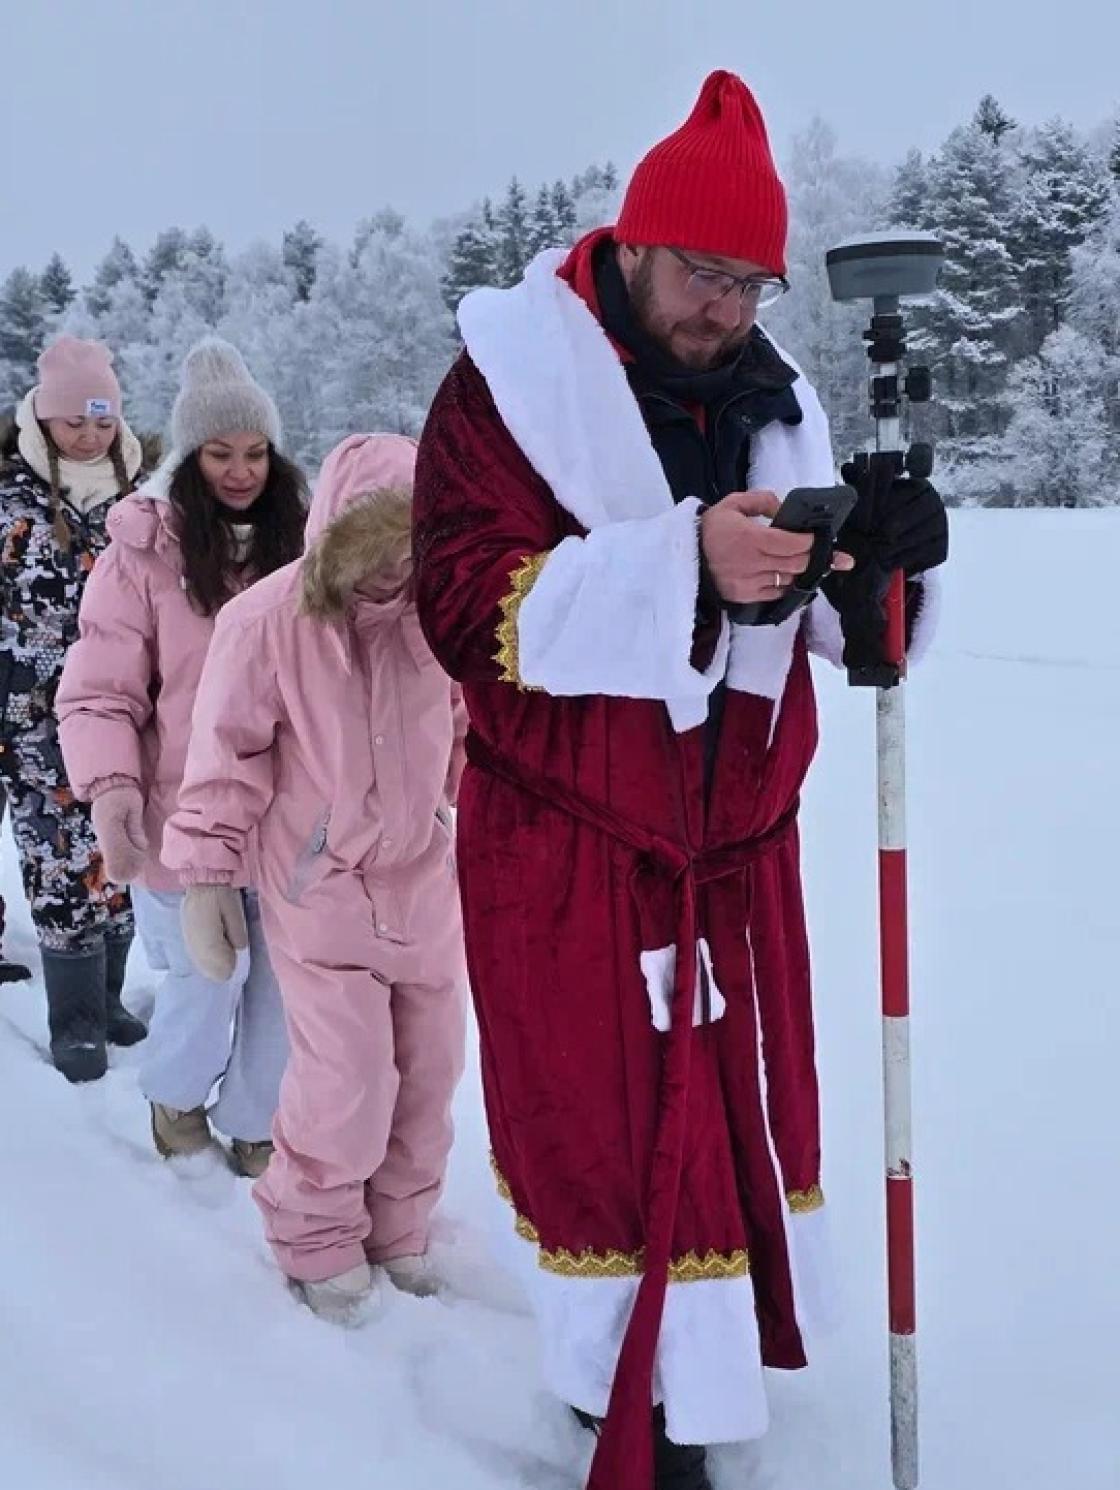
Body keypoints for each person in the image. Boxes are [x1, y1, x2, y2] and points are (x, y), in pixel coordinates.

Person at [413, 71, 948, 1490]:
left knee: (726, 1122)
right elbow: (462, 605)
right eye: (701, 274)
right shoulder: (506, 386)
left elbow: (843, 637)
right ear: (633, 243)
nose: (724, 307)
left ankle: (706, 1379)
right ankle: (622, 1400)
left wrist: (883, 559)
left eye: (750, 282)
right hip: (570, 851)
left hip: (735, 852)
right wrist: (681, 568)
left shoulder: (778, 399)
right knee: (600, 1137)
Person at [162, 432, 467, 1319]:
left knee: (431, 1073)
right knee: (349, 1081)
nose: (393, 566)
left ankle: (400, 1225)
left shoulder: (439, 615)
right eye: (374, 545)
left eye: (410, 543)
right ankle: (317, 1233)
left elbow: (465, 734)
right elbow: (225, 756)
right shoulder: (267, 622)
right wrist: (208, 877)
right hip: (321, 888)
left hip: (425, 886)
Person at [57, 339, 306, 1174]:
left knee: (281, 982)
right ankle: (175, 1096)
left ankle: (258, 1118)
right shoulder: (143, 555)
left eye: (256, 452)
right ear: (191, 456)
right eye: (220, 453)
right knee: (212, 976)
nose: (241, 472)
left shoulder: (302, 544)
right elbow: (100, 691)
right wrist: (113, 790)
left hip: (282, 815)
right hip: (182, 816)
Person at [0, 338, 143, 1080]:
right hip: (29, 725)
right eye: (74, 422)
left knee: (117, 858)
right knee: (56, 864)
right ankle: (76, 1020)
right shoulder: (9, 501)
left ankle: (110, 998)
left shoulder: (140, 500)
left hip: (121, 719)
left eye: (103, 422)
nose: (90, 436)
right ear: (43, 419)